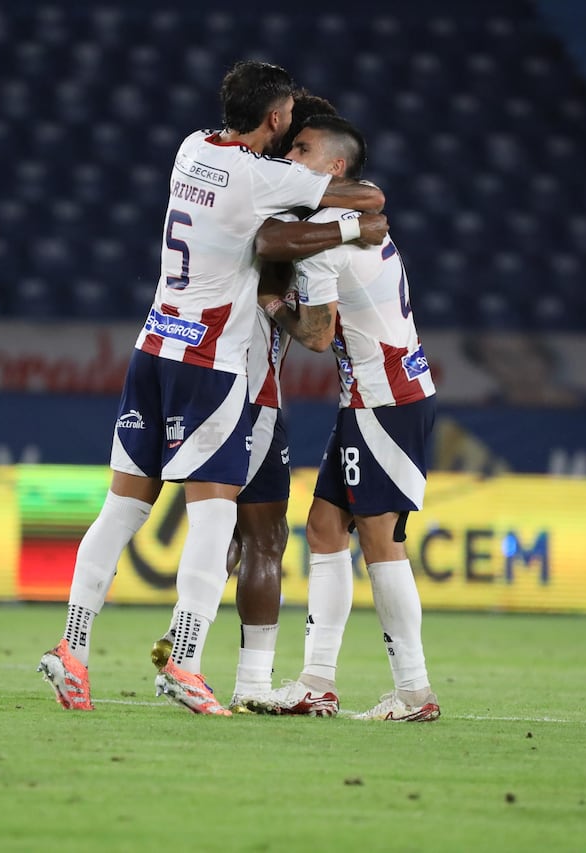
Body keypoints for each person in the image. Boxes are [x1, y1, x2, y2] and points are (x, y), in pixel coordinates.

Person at [37, 62, 385, 715]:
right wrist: (345, 219)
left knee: (121, 511)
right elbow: (362, 202)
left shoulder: (192, 147)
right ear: (277, 119)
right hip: (209, 363)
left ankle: (71, 648)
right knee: (216, 516)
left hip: (153, 347)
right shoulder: (265, 178)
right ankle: (188, 664)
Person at [147, 93, 381, 710]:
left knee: (229, 530)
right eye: (292, 143)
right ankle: (241, 677)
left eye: (305, 147)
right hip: (246, 389)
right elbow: (314, 335)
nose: (293, 153)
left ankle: (186, 641)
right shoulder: (280, 209)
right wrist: (285, 300)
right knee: (263, 536)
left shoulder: (229, 173)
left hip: (203, 371)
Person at [246, 116, 442, 721]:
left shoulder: (327, 236)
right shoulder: (341, 225)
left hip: (385, 397)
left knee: (379, 541)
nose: (290, 154)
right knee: (326, 528)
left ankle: (414, 691)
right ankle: (316, 682)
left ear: (335, 168)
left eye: (302, 149)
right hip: (375, 394)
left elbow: (316, 333)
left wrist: (274, 304)